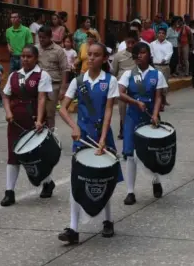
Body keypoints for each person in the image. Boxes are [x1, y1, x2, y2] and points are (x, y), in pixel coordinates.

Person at [58, 42, 121, 244]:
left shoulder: (110, 81)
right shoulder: (78, 81)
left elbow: (109, 111)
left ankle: (108, 220)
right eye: (89, 55)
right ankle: (73, 228)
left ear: (104, 59)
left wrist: (103, 139)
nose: (91, 58)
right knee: (78, 180)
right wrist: (73, 127)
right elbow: (63, 108)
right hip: (82, 138)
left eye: (96, 55)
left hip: (103, 136)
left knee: (102, 179)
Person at [0, 44, 54, 207]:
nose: (25, 59)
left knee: (36, 155)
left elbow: (42, 98)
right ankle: (9, 192)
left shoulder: (42, 75)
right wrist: (8, 112)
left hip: (33, 119)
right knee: (13, 155)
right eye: (23, 56)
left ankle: (47, 182)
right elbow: (6, 96)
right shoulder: (14, 75)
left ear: (36, 58)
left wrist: (39, 120)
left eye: (28, 56)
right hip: (16, 121)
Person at [118, 42, 168, 205]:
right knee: (131, 155)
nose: (139, 55)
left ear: (149, 55)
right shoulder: (128, 74)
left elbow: (158, 96)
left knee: (151, 153)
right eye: (137, 53)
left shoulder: (156, 74)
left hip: (149, 118)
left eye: (143, 52)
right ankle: (130, 192)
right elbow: (120, 93)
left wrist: (155, 114)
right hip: (133, 117)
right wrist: (134, 102)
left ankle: (155, 179)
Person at [37, 26, 69, 129]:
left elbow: (65, 69)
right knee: (38, 112)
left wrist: (63, 89)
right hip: (38, 84)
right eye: (40, 37)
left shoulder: (58, 51)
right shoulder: (36, 49)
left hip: (53, 85)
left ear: (50, 37)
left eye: (44, 37)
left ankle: (50, 133)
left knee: (50, 112)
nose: (41, 40)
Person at [112, 31, 138, 139]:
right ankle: (123, 126)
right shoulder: (118, 56)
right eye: (128, 43)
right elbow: (114, 72)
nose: (130, 45)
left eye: (133, 43)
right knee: (122, 107)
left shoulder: (138, 55)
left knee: (135, 106)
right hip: (122, 84)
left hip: (135, 83)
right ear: (125, 42)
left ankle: (134, 127)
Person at [150, 27, 173, 109]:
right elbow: (151, 54)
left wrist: (165, 59)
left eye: (163, 33)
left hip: (165, 66)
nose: (161, 35)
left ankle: (163, 100)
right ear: (157, 34)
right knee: (156, 85)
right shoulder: (152, 44)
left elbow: (170, 53)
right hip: (156, 66)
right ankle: (158, 103)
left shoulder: (169, 44)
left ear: (165, 35)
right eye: (159, 33)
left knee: (164, 84)